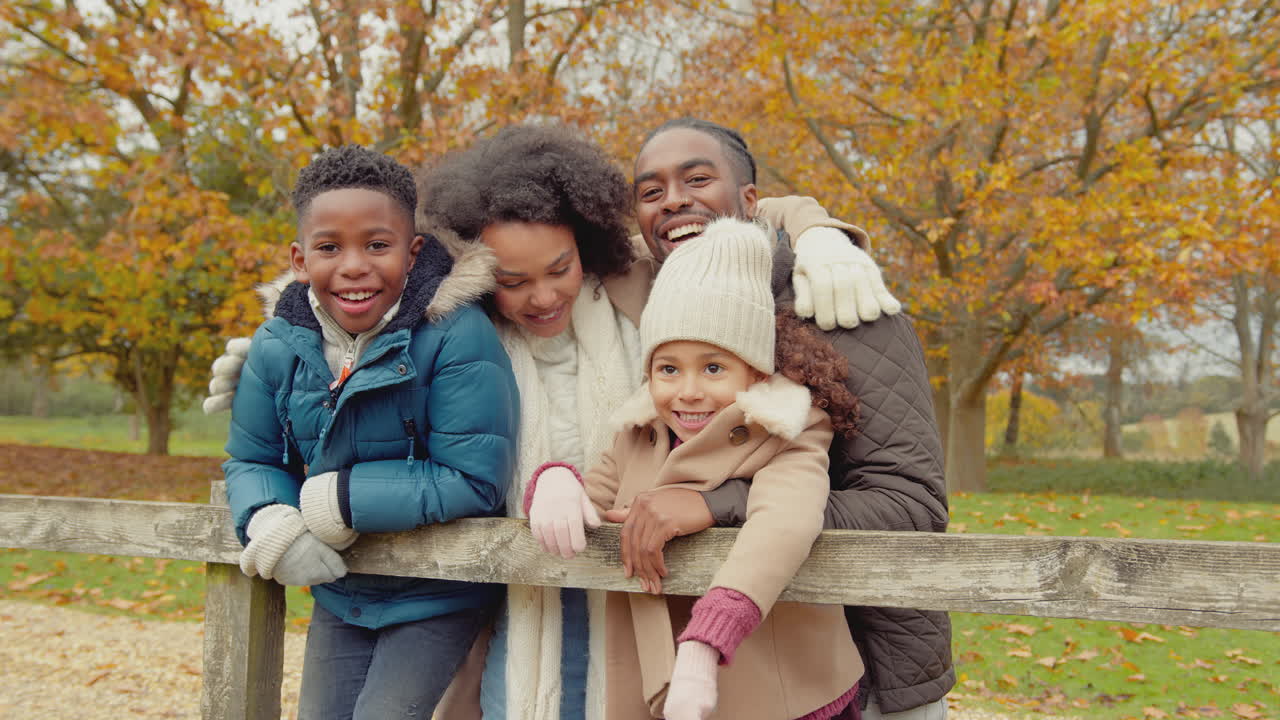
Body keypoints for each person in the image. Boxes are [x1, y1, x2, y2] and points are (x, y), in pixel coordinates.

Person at [204, 123, 902, 720]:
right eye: (513, 280)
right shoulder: (460, 323)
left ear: (587, 247)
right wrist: (282, 340)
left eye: (559, 269)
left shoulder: (645, 293)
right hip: (508, 600)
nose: (541, 296)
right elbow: (362, 281)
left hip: (636, 602)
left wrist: (820, 232)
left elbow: (728, 223)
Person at [611, 118, 955, 720]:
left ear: (751, 203)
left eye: (697, 179)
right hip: (723, 677)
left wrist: (717, 506)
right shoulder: (657, 308)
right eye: (650, 191)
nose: (673, 201)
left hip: (866, 669)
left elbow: (912, 506)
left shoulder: (848, 308)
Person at [221, 145, 519, 719]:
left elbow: (476, 477)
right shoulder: (278, 344)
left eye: (377, 246)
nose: (354, 265)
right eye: (330, 247)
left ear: (412, 254)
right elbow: (252, 459)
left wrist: (341, 498)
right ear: (300, 258)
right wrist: (271, 519)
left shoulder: (456, 336)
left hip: (440, 591)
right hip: (342, 589)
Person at [526, 217, 864, 720]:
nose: (686, 391)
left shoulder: (786, 429)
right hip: (657, 682)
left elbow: (784, 524)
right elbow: (590, 500)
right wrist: (553, 482)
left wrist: (706, 643)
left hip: (775, 693)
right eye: (668, 368)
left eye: (713, 368)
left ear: (753, 371)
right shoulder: (637, 433)